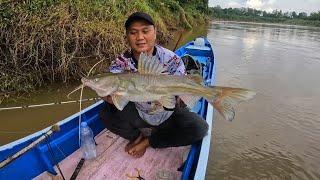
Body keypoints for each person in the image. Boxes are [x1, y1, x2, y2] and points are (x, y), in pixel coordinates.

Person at [100, 12, 208, 158]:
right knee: (106, 114)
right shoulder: (120, 63)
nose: (140, 37)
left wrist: (176, 97)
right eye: (133, 33)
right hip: (138, 113)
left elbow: (179, 101)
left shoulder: (172, 59)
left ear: (155, 33)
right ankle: (137, 136)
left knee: (199, 128)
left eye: (145, 31)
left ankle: (148, 141)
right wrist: (107, 97)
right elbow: (110, 90)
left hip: (166, 113)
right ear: (127, 36)